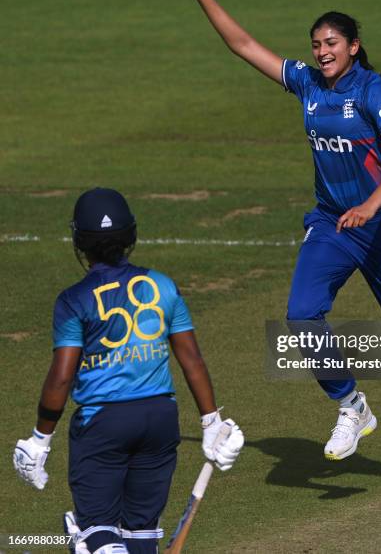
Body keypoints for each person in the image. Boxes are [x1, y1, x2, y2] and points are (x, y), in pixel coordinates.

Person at [181, 0, 381, 491]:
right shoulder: (308, 86)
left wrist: (370, 205)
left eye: (332, 43)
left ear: (354, 46)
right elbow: (243, 45)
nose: (322, 52)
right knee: (301, 318)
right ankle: (351, 402)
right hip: (332, 225)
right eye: (316, 45)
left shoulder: (373, 90)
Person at [13, 187, 244, 554]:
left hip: (103, 424)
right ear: (130, 236)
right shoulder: (162, 285)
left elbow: (61, 376)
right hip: (161, 420)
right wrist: (211, 421)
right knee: (141, 533)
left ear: (79, 241)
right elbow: (192, 360)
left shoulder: (74, 300)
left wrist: (40, 439)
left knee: (96, 531)